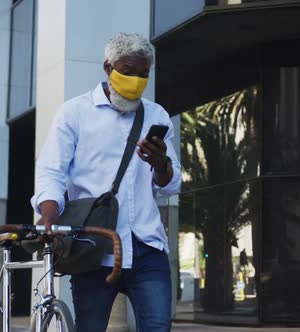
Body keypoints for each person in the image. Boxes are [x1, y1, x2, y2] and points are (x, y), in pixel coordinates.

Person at [31, 32, 181, 332]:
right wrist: (48, 214)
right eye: (128, 72)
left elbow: (171, 184)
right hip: (92, 248)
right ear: (108, 68)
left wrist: (160, 163)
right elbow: (51, 171)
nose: (136, 80)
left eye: (144, 74)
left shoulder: (156, 115)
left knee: (159, 327)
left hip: (146, 247)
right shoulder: (75, 112)